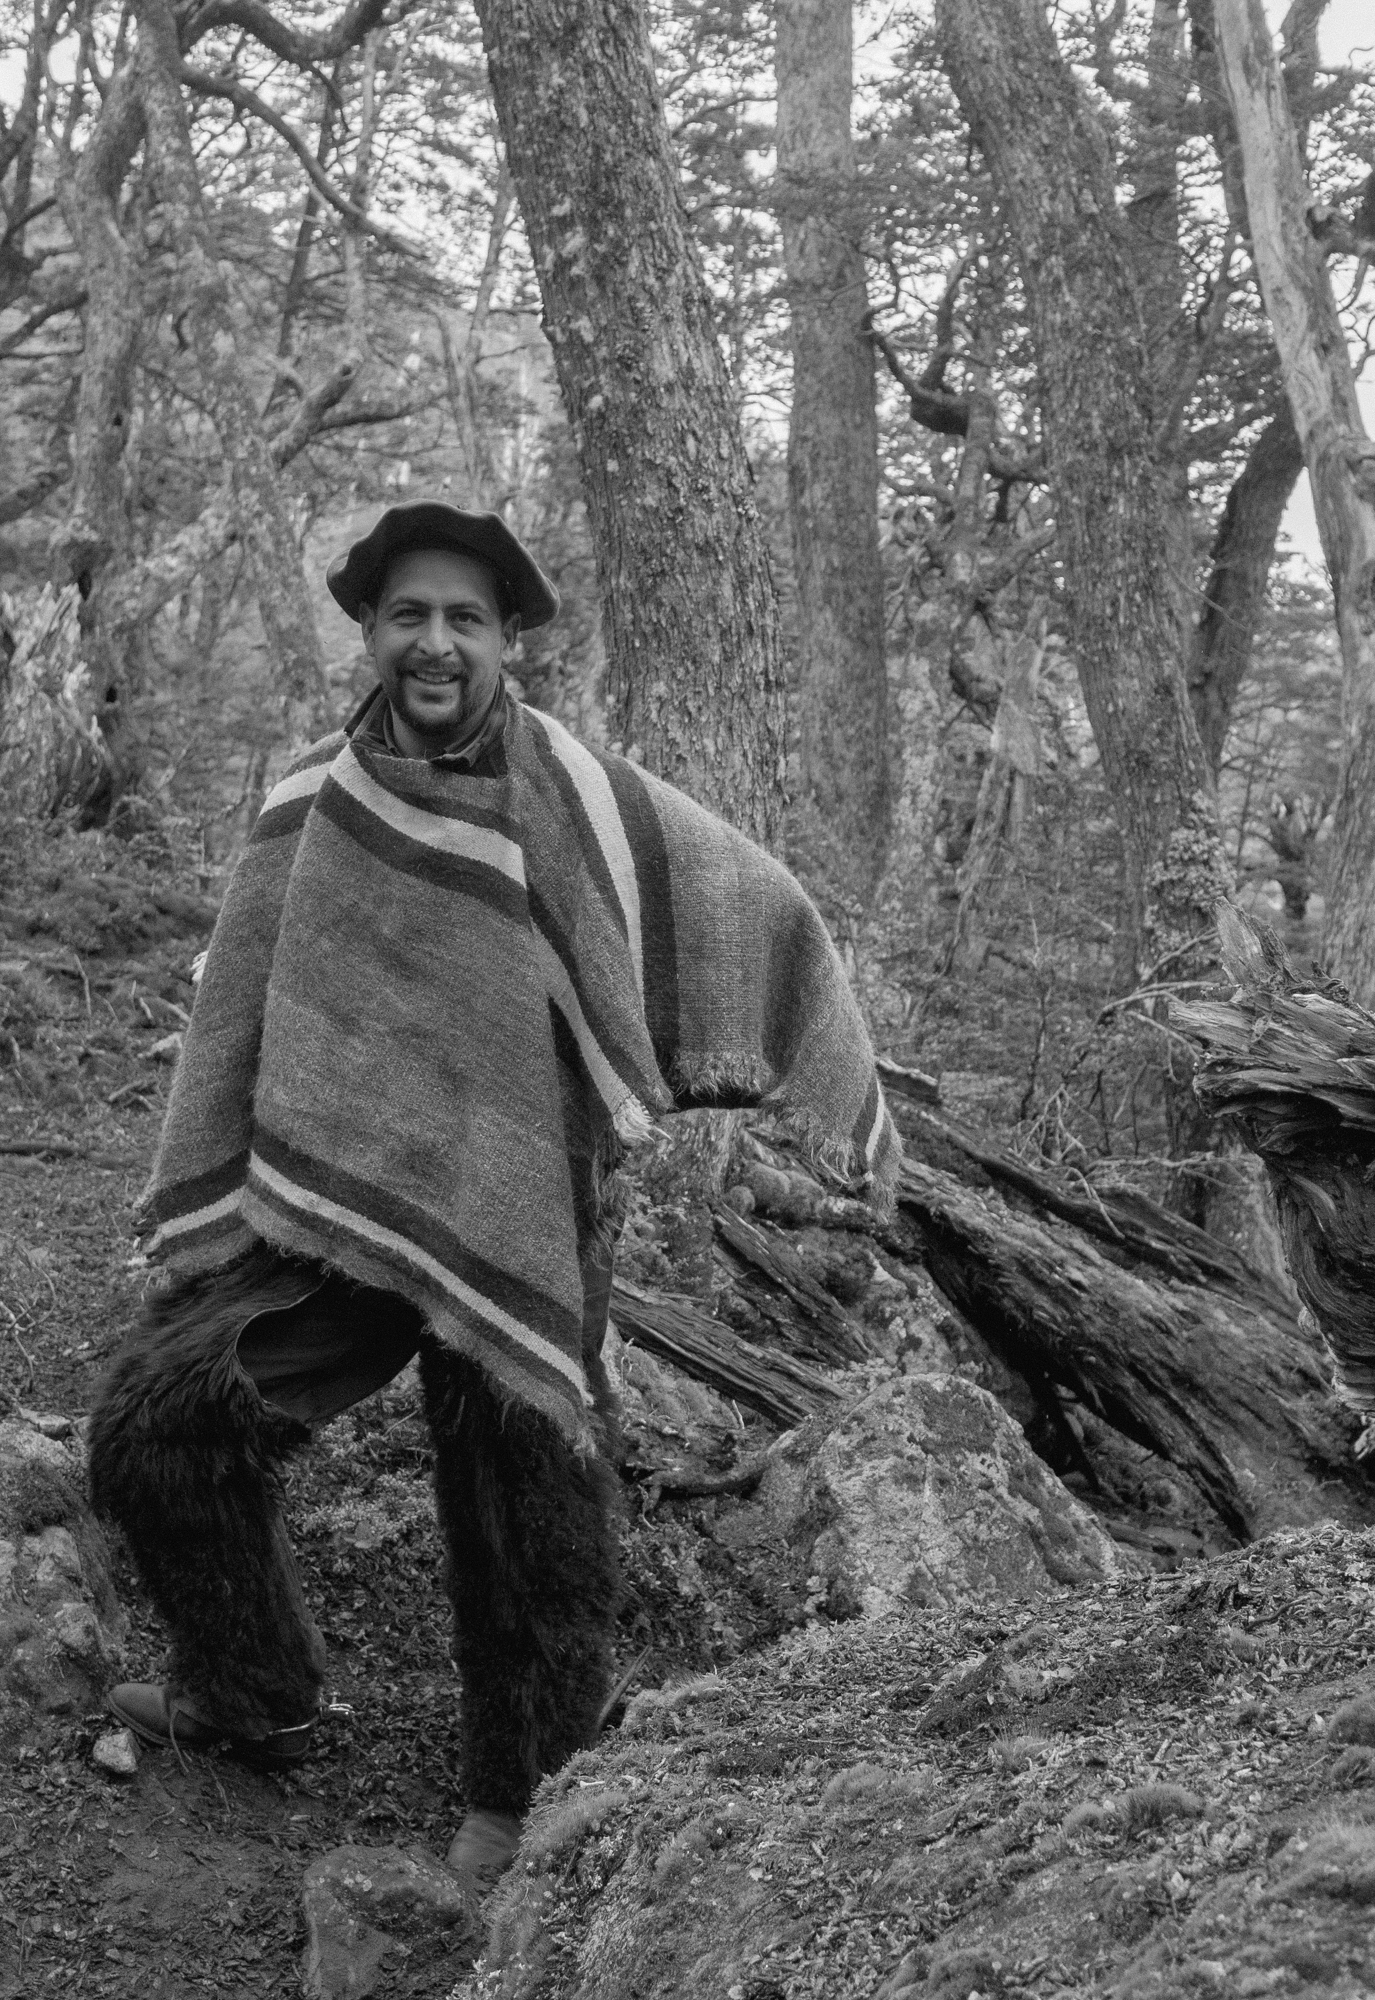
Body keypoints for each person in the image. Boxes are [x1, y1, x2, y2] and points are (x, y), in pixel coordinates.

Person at [88, 501, 899, 1893]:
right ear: (374, 629)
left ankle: (523, 1798)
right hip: (334, 1218)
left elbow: (747, 897)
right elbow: (238, 1013)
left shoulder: (572, 797)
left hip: (521, 1210)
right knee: (155, 1430)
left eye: (466, 616)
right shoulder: (311, 805)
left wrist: (828, 1075)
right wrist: (212, 1206)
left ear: (507, 637)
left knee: (524, 1495)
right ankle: (254, 1695)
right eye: (410, 613)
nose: (436, 641)